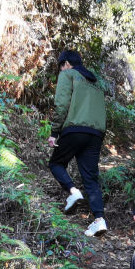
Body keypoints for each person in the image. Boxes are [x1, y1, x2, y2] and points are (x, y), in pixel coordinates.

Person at [48, 50, 108, 237]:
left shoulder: (68, 74)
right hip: (96, 133)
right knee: (90, 178)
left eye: (60, 66)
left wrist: (54, 132)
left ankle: (74, 192)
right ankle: (99, 220)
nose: (61, 69)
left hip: (75, 128)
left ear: (66, 63)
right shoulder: (95, 83)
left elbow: (62, 104)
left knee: (56, 163)